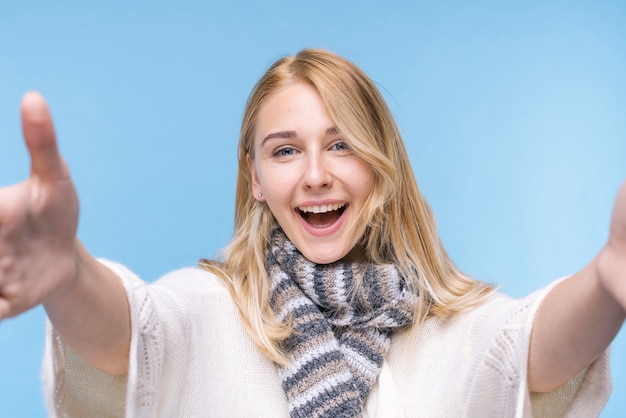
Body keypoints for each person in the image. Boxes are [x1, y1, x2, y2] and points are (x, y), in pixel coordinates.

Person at [0, 49, 624, 417]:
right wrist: (71, 275)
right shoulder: (207, 308)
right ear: (255, 178)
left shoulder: (456, 328)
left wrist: (606, 278)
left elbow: (530, 349)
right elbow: (135, 335)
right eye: (285, 151)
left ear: (381, 163)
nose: (316, 176)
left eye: (341, 144)